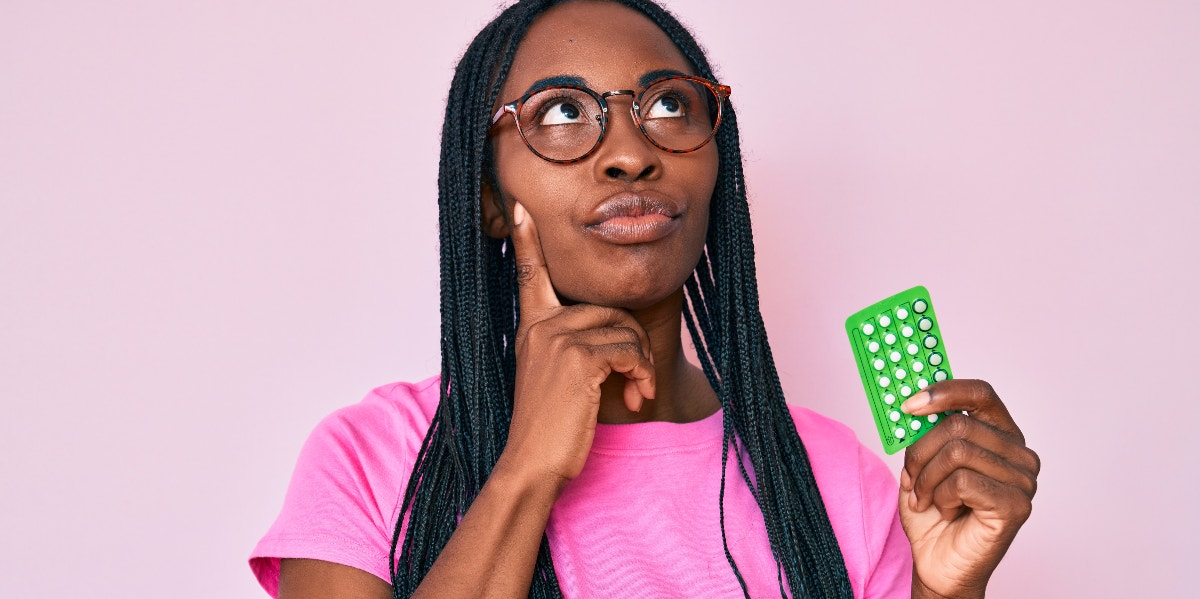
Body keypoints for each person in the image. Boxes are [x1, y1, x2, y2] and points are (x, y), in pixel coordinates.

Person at [249, 1, 1041, 597]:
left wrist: (945, 593)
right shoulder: (372, 459)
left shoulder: (840, 484)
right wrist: (526, 468)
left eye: (668, 106)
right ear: (488, 196)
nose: (630, 152)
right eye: (561, 112)